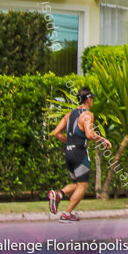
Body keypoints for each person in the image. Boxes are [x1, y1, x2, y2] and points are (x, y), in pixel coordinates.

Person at [47, 87, 112, 222]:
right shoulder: (87, 115)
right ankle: (67, 214)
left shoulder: (69, 115)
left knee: (78, 183)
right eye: (92, 98)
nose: (92, 101)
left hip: (69, 152)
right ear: (88, 99)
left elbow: (56, 133)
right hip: (80, 153)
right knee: (83, 185)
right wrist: (103, 139)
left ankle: (59, 194)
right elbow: (89, 134)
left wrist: (69, 142)